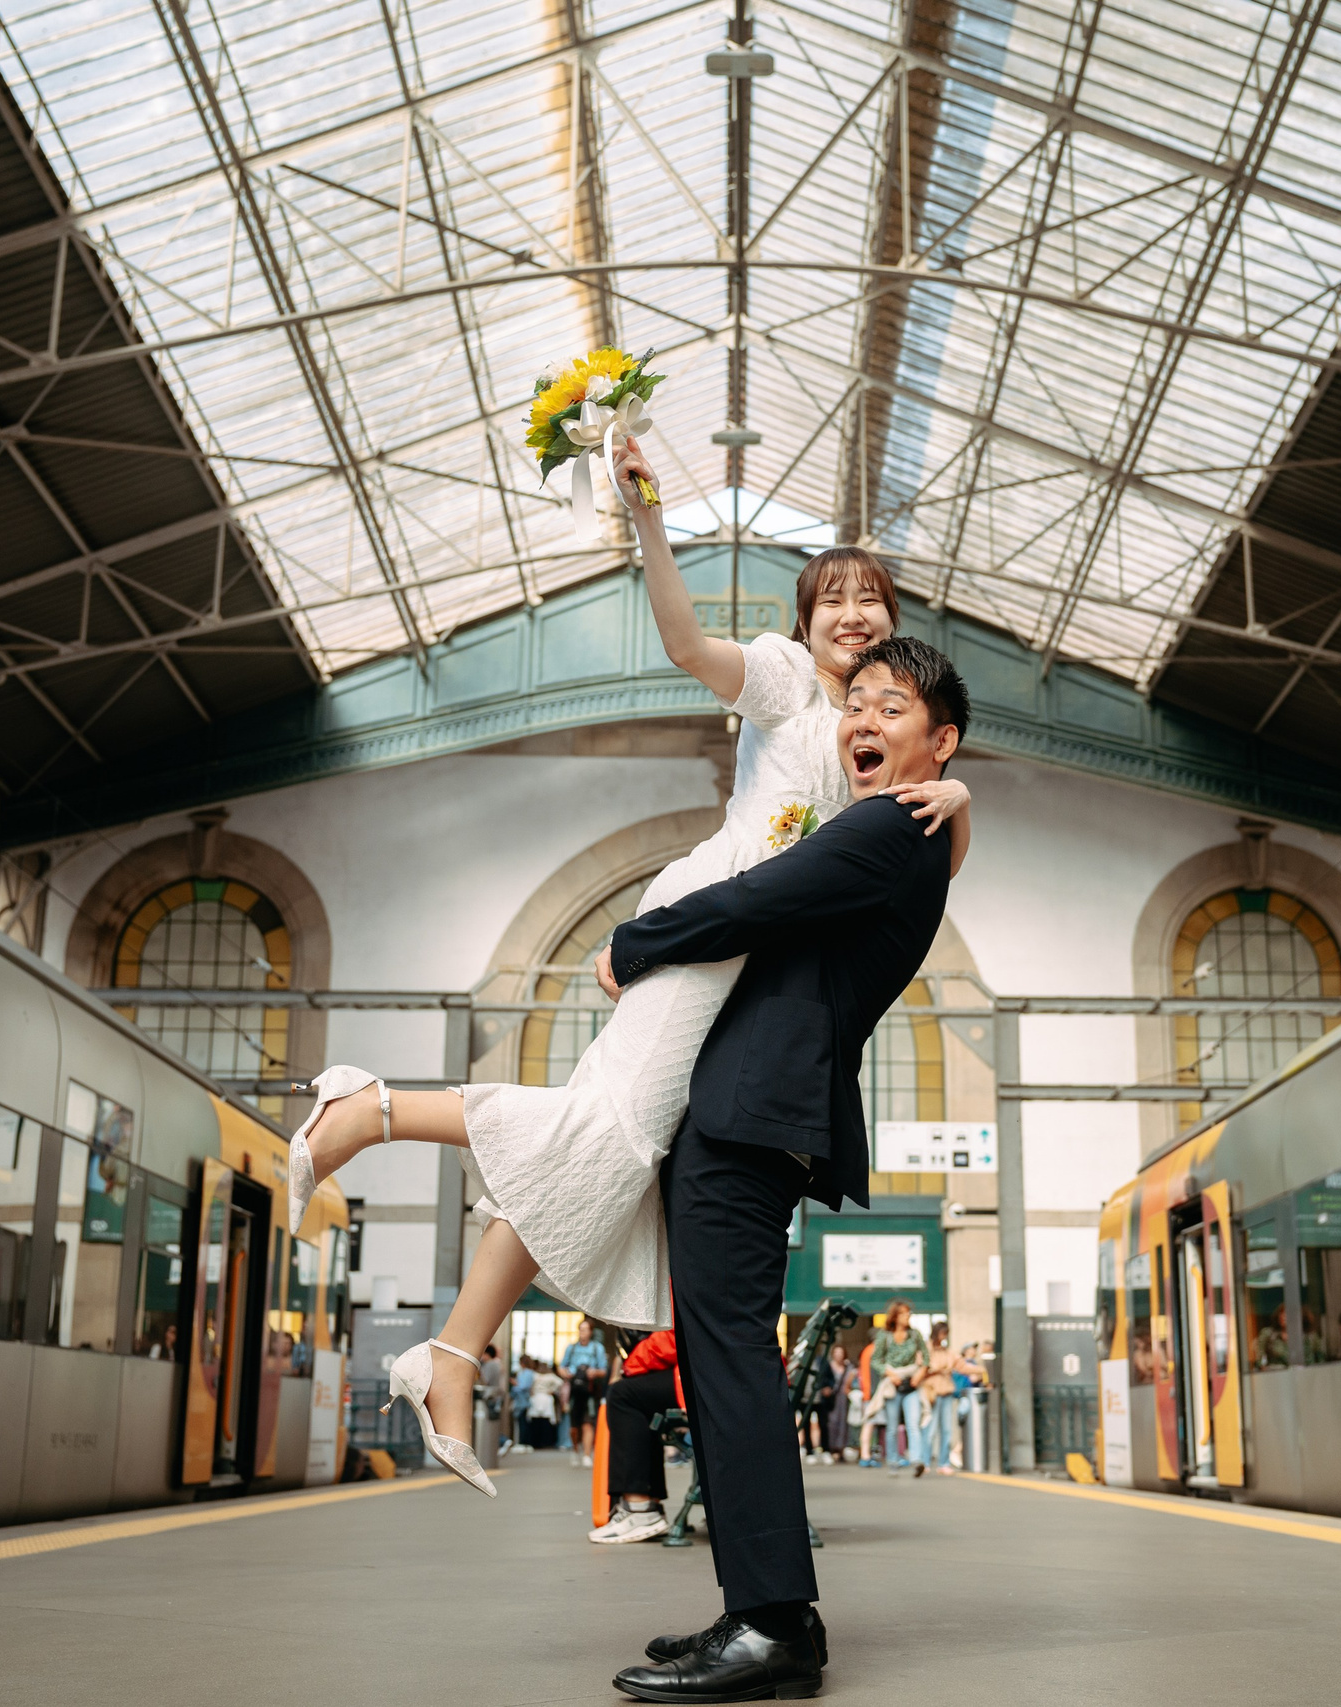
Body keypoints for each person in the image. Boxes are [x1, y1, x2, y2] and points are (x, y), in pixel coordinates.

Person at [280, 455, 974, 1497]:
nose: (853, 615)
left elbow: (929, 865)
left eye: (870, 598)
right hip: (705, 928)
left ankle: (454, 1355)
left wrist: (957, 794)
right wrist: (649, 519)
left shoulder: (885, 734)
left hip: (752, 959)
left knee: (608, 1137)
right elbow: (686, 644)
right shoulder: (787, 683)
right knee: (615, 1131)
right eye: (831, 600)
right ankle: (368, 1109)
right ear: (805, 621)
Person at [605, 636, 968, 1704]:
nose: (861, 719)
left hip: (754, 1110)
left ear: (938, 743)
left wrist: (635, 941)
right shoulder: (912, 826)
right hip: (755, 1109)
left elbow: (758, 898)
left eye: (891, 707)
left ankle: (772, 1624)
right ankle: (760, 1606)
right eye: (853, 702)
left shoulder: (893, 825)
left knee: (726, 1359)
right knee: (720, 1361)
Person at [589, 1327, 681, 1545]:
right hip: (738, 1369)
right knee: (644, 1398)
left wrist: (630, 1365)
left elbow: (677, 1336)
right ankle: (650, 1504)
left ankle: (639, 1507)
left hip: (715, 1373)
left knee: (622, 1395)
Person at [907, 1324, 986, 1477]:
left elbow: (962, 1366)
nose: (943, 1337)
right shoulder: (925, 1349)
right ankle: (925, 1461)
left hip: (947, 1393)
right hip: (931, 1394)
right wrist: (936, 1369)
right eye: (942, 1334)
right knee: (929, 1430)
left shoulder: (949, 1352)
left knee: (947, 1430)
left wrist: (982, 1369)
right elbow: (920, 1368)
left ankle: (944, 1463)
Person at [863, 1305, 926, 1471]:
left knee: (913, 1423)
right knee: (892, 1426)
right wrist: (890, 1374)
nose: (908, 1317)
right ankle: (892, 1461)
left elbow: (926, 1358)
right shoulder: (885, 1336)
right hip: (893, 1384)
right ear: (896, 1316)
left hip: (911, 1382)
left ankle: (916, 1460)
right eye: (904, 1314)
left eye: (909, 1313)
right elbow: (875, 1360)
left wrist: (919, 1374)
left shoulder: (915, 1335)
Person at [561, 1320, 610, 1467]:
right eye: (580, 1329)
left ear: (590, 1332)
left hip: (590, 1389)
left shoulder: (597, 1348)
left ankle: (587, 1454)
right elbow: (561, 1366)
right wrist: (567, 1374)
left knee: (588, 1423)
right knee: (574, 1426)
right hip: (575, 1389)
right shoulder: (572, 1348)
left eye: (585, 1330)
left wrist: (594, 1372)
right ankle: (576, 1449)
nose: (582, 1333)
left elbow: (604, 1370)